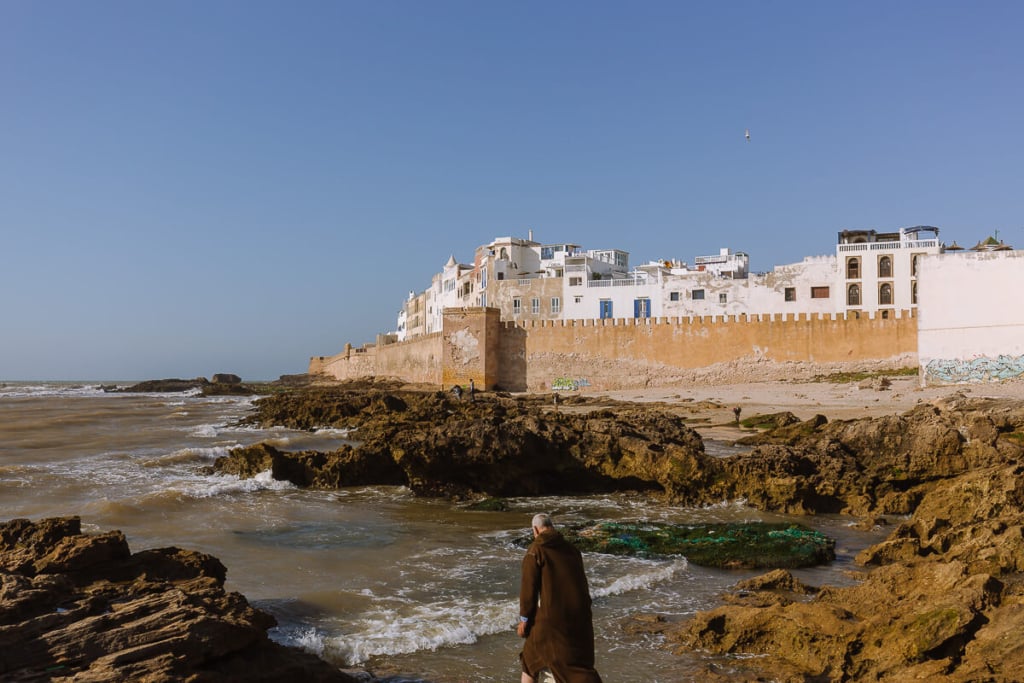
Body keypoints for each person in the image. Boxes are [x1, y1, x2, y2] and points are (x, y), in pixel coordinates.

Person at [517, 513, 603, 683]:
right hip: (579, 618)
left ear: (535, 529)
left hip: (551, 621)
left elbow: (529, 590)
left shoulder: (535, 550)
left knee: (535, 661)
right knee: (569, 662)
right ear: (552, 526)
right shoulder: (572, 550)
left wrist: (524, 620)